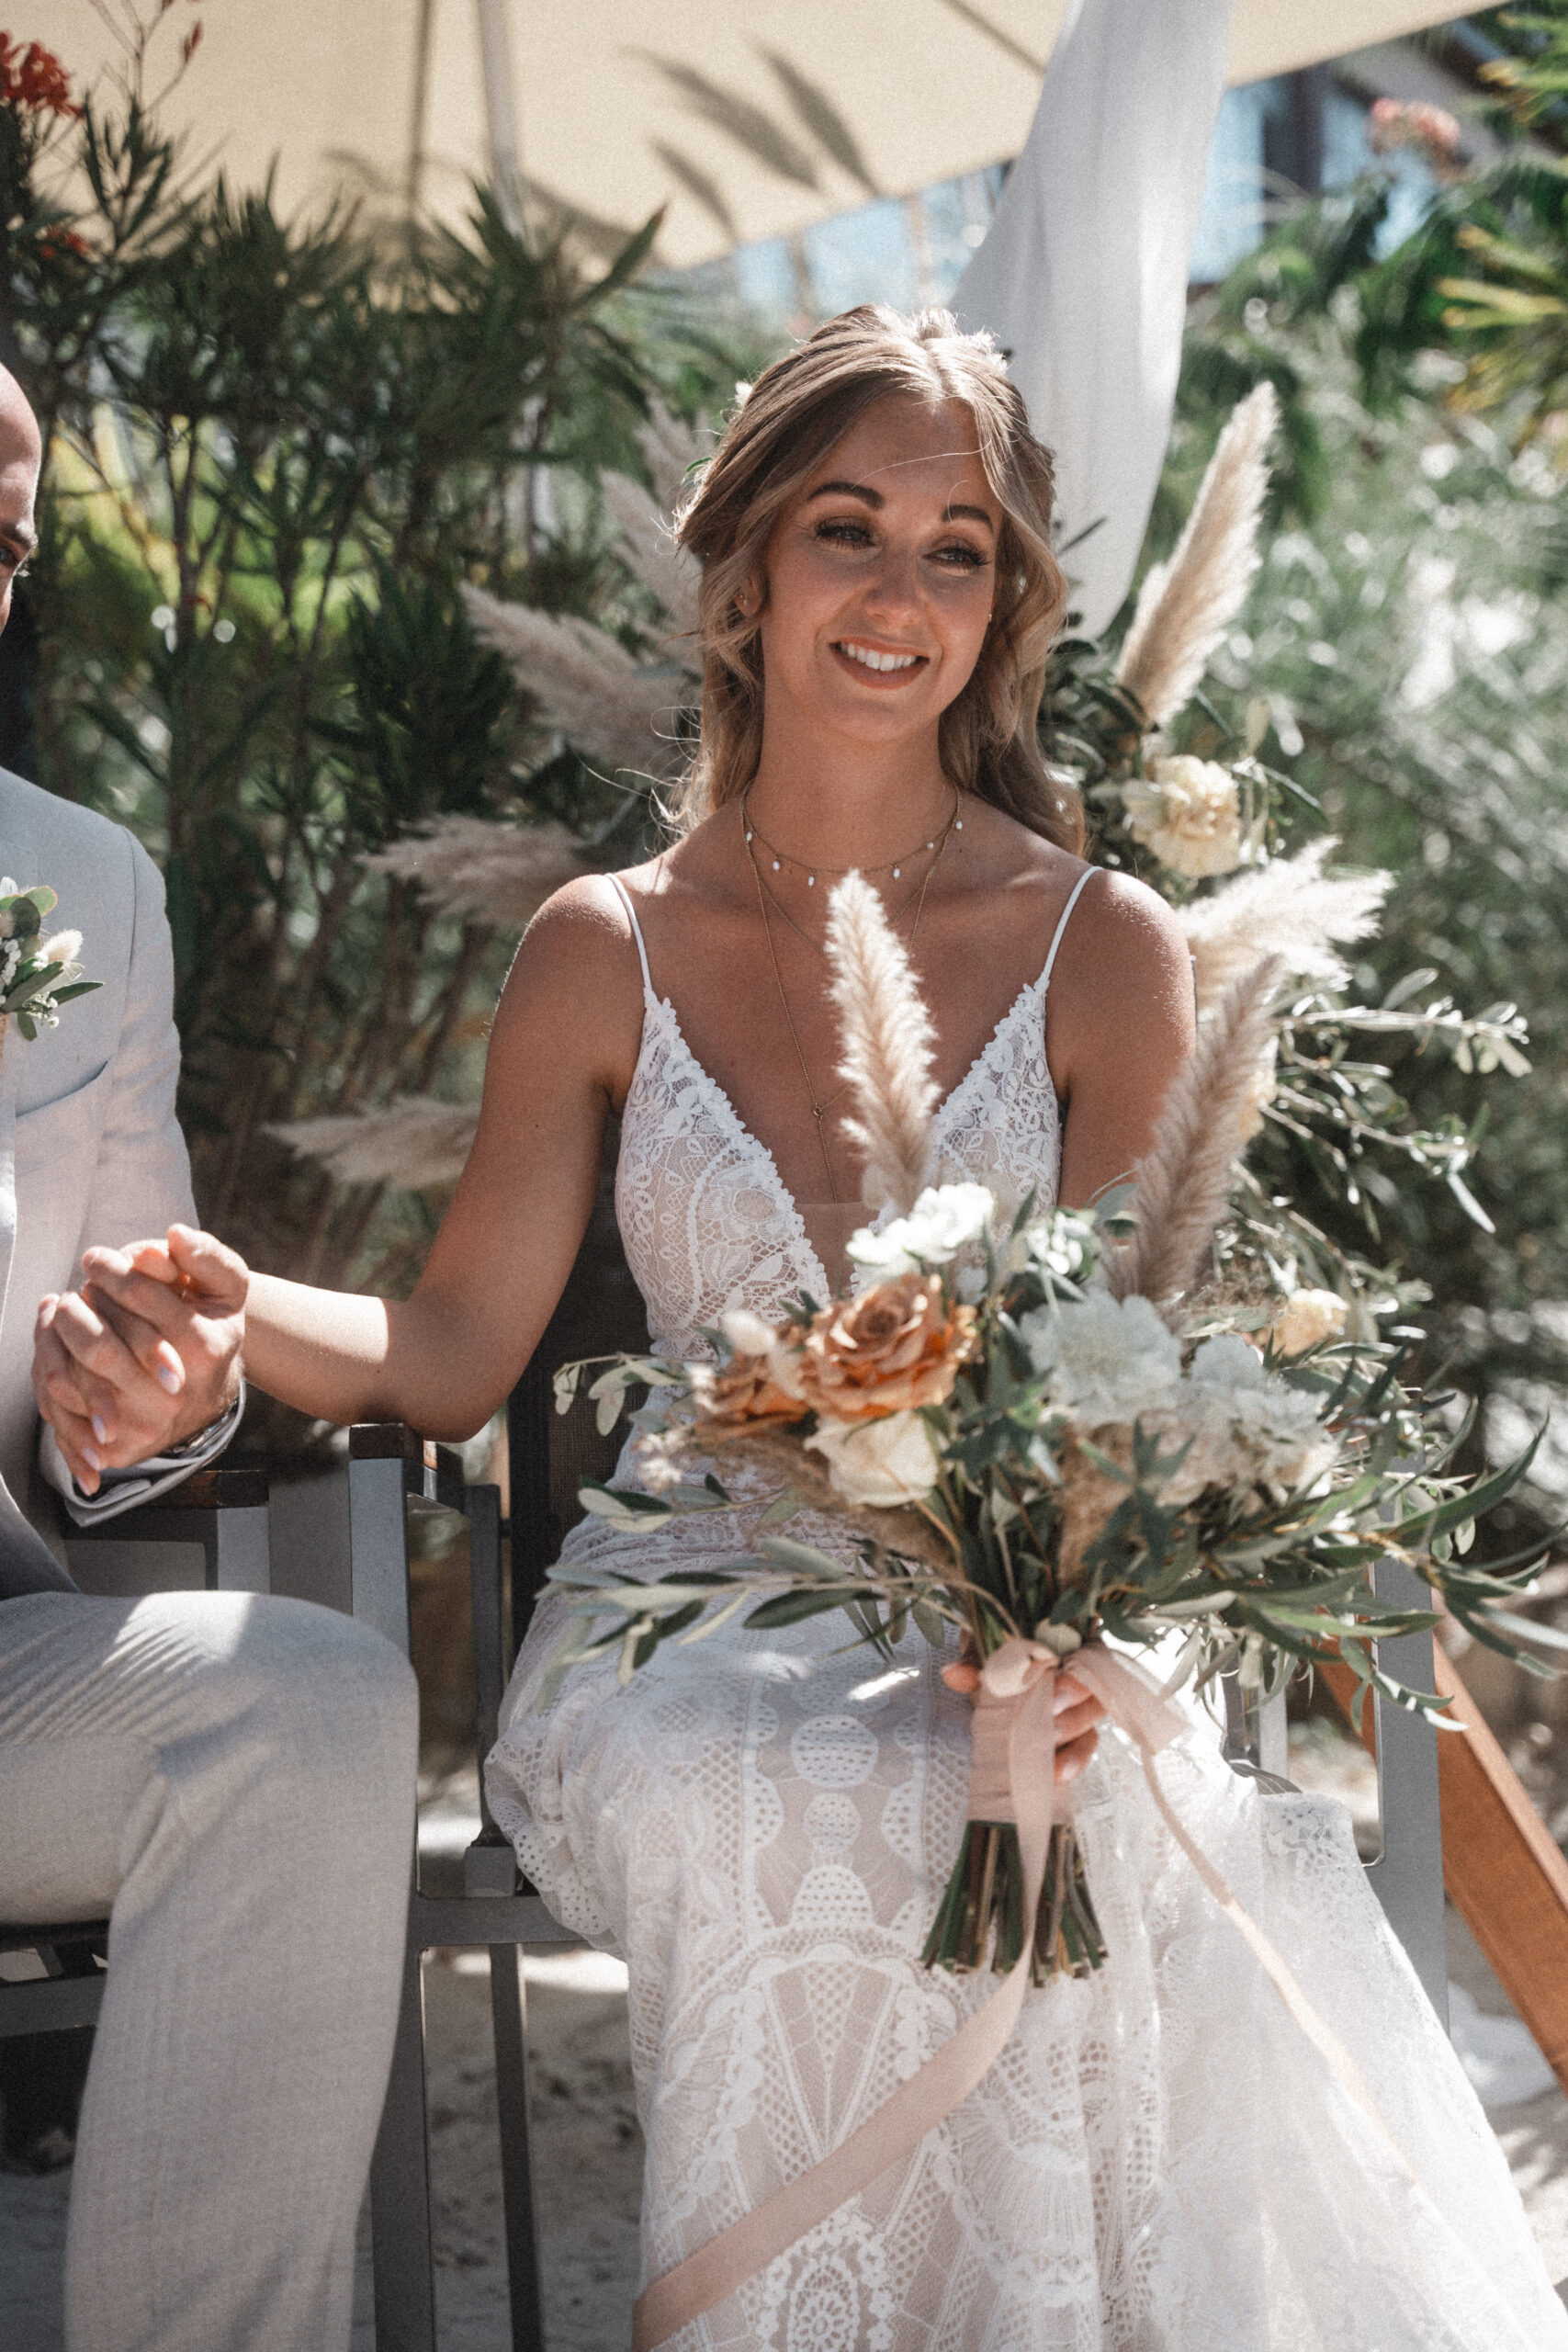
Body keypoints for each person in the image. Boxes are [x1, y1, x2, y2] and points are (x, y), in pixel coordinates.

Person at [55, 311, 1568, 2349]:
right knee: (748, 1781)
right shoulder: (601, 949)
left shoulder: (1102, 948)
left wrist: (1066, 1611)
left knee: (1069, 1780)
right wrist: (241, 1317)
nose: (895, 592)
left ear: (1003, 606)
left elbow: (1138, 1372)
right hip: (689, 1599)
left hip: (1012, 1584)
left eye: (957, 550)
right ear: (746, 567)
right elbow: (451, 1345)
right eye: (846, 527)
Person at [0, 361, 420, 2352]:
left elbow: (121, 1367)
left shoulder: (84, 888)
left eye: (2, 544)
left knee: (310, 1708)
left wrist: (147, 1398)